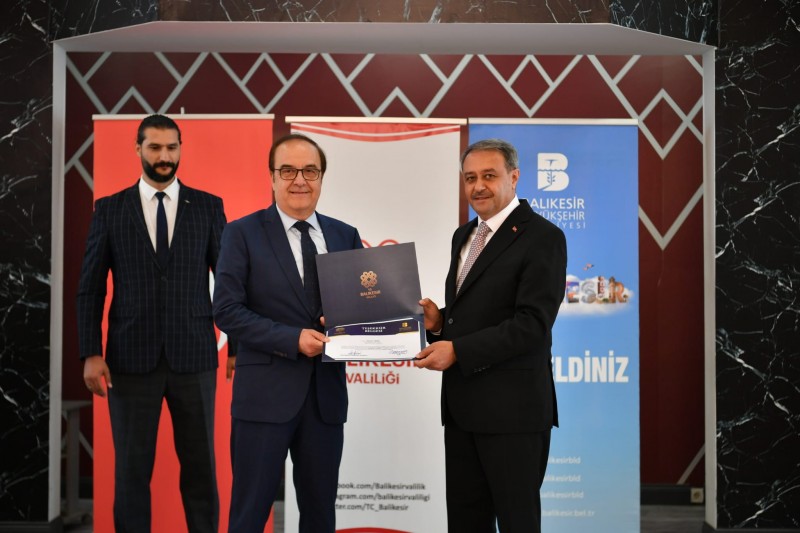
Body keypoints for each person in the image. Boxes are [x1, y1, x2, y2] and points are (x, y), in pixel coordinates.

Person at [77, 114, 230, 532]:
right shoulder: (110, 209)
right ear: (138, 149)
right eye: (155, 147)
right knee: (131, 471)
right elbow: (90, 287)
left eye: (172, 148)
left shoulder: (208, 207)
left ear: (180, 149)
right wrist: (90, 352)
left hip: (195, 357)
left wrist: (235, 345)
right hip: (129, 359)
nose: (165, 156)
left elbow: (229, 282)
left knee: (201, 470)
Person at [414, 138, 567, 533]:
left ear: (514, 178)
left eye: (489, 176)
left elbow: (532, 324)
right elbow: (475, 312)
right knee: (465, 523)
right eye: (470, 178)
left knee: (518, 524)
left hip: (513, 415)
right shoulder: (463, 235)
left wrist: (458, 351)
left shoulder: (543, 237)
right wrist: (437, 323)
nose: (478, 186)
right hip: (462, 411)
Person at [212, 133, 362, 533]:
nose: (299, 180)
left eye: (310, 171)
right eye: (288, 170)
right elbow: (226, 311)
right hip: (263, 398)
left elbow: (361, 308)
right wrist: (292, 339)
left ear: (322, 177)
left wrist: (384, 322)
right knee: (249, 515)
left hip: (325, 399)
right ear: (272, 177)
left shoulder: (345, 235)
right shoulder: (241, 233)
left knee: (319, 515)